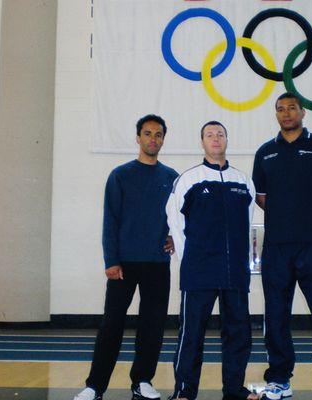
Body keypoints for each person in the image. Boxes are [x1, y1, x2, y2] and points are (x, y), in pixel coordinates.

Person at [74, 114, 179, 400]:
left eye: (158, 135)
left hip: (157, 264)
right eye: (147, 134)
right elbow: (111, 220)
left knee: (153, 324)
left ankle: (142, 380)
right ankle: (95, 385)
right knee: (112, 324)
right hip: (123, 264)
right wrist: (111, 260)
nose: (153, 139)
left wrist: (174, 238)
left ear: (163, 140)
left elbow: (179, 218)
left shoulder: (171, 178)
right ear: (138, 138)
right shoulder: (120, 175)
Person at [252, 93, 312, 400]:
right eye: (280, 109)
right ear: (276, 114)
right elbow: (261, 197)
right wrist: (285, 215)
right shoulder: (265, 153)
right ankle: (280, 380)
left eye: (291, 108)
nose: (286, 113)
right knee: (276, 316)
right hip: (277, 248)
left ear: (302, 111)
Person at [166, 121, 258, 400]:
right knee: (192, 334)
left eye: (220, 134)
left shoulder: (243, 181)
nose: (215, 139)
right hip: (199, 272)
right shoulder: (188, 180)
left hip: (235, 275)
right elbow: (175, 222)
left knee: (238, 334)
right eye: (209, 135)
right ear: (202, 142)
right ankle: (184, 391)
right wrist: (191, 258)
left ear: (227, 140)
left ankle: (234, 390)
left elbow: (249, 220)